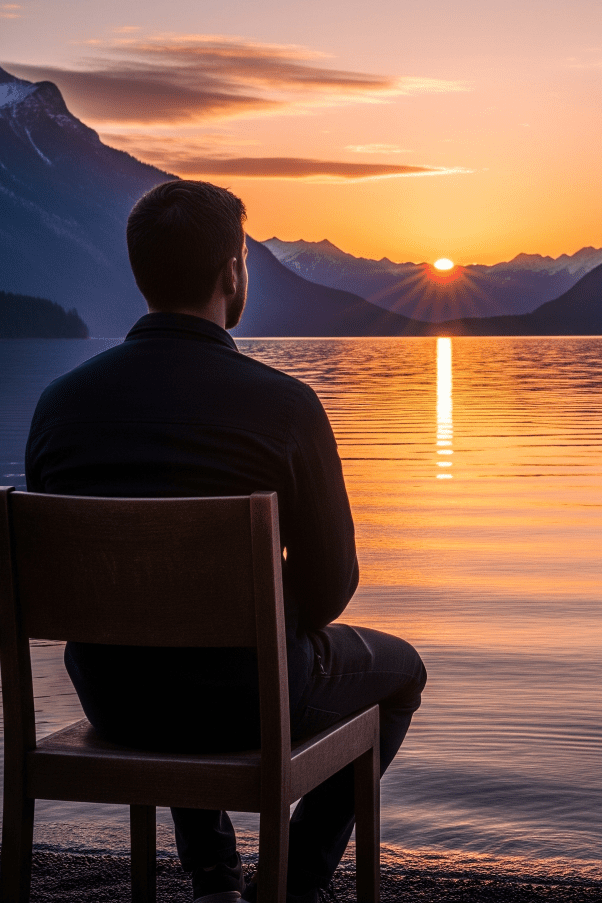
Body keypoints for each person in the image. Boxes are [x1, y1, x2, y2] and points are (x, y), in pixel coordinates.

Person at [25, 179, 427, 903]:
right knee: (402, 672)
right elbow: (334, 584)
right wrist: (268, 620)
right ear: (232, 272)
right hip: (245, 701)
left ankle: (215, 881)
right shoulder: (283, 406)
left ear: (142, 271)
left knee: (172, 638)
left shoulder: (61, 405)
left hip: (112, 698)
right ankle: (294, 886)